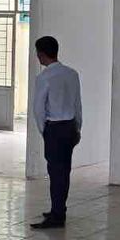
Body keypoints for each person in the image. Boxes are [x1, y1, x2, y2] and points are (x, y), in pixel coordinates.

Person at [31, 36, 81, 229]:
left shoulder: (44, 77)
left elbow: (38, 108)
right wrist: (77, 127)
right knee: (64, 171)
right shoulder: (72, 74)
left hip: (55, 128)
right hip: (70, 126)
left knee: (55, 172)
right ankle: (59, 209)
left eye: (38, 53)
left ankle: (57, 215)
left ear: (41, 54)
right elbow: (77, 104)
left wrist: (44, 130)